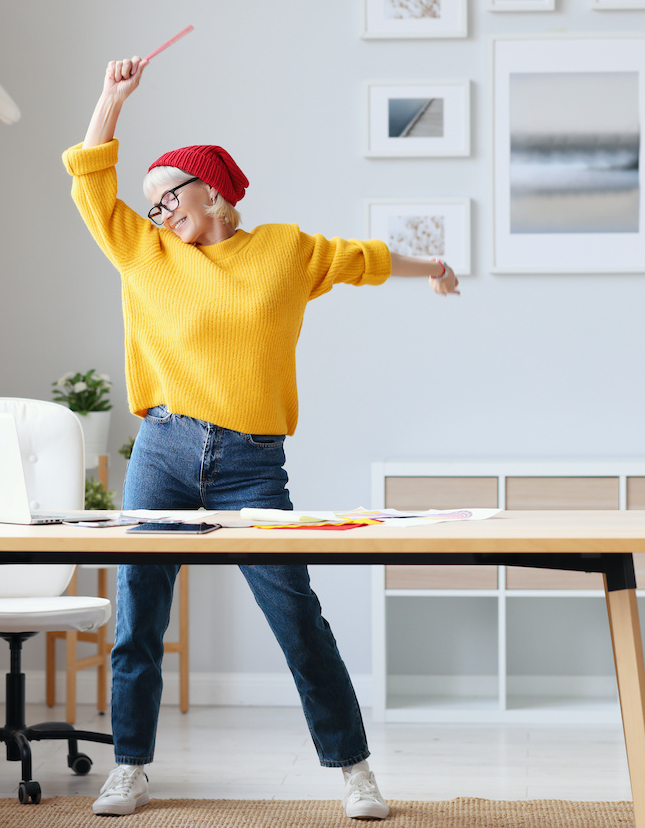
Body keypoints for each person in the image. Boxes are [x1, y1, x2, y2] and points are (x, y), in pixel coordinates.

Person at [62, 55, 459, 822]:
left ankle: (356, 771)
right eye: (148, 206)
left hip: (250, 464)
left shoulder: (283, 250)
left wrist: (432, 266)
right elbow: (88, 177)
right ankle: (130, 766)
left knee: (297, 615)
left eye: (165, 198)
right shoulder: (142, 253)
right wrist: (111, 99)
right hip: (162, 451)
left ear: (209, 189)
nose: (156, 214)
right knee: (138, 613)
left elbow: (363, 259)